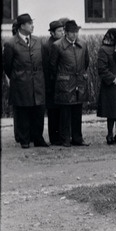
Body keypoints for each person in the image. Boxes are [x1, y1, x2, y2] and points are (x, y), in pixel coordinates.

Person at [3, 12, 49, 148]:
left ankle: (38, 138)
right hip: (21, 83)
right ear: (22, 26)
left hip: (38, 82)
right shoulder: (11, 43)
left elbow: (44, 62)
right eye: (29, 23)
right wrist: (18, 77)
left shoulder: (38, 41)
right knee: (23, 111)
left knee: (38, 111)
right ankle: (24, 139)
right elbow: (7, 66)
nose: (32, 26)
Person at [49, 19, 90, 147]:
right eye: (72, 32)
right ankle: (65, 139)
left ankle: (77, 138)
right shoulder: (57, 45)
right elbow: (53, 66)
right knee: (65, 112)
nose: (75, 35)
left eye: (76, 32)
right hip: (65, 82)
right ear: (66, 33)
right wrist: (63, 77)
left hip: (79, 81)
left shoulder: (83, 44)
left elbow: (86, 62)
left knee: (77, 110)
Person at [42, 18, 67, 146]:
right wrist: (52, 82)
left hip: (61, 82)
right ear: (52, 33)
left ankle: (60, 136)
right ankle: (54, 137)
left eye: (63, 30)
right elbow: (48, 67)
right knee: (53, 111)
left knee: (60, 110)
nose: (62, 33)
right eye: (59, 31)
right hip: (52, 84)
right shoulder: (48, 46)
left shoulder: (62, 43)